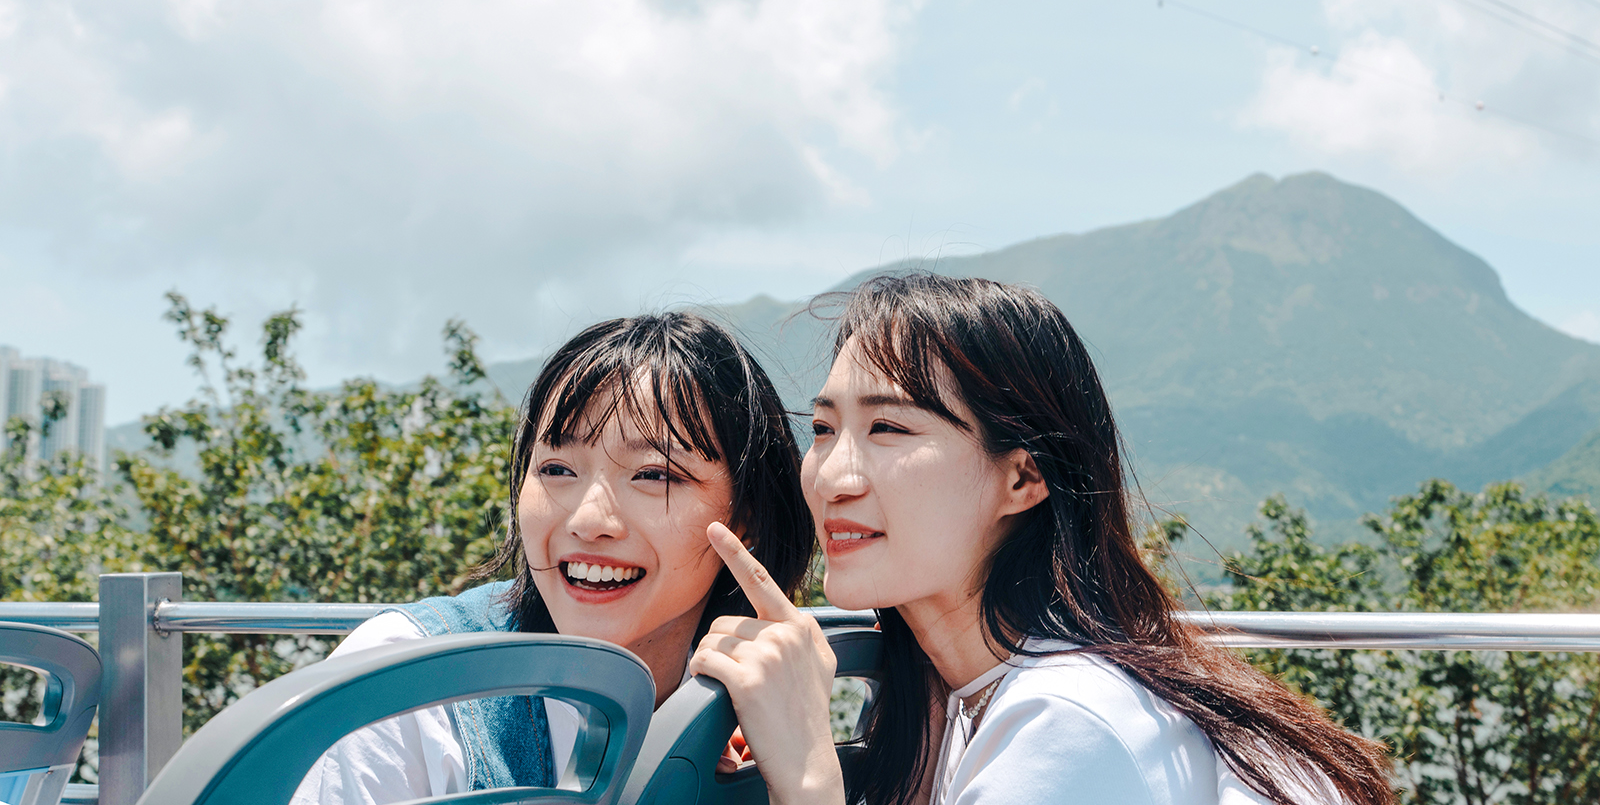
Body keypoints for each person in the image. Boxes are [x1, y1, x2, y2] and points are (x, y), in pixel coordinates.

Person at [690, 273, 1396, 805]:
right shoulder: (965, 699)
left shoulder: (1065, 719)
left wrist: (810, 774)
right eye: (822, 428)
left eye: (889, 429)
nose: (834, 476)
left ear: (1024, 479)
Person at [291, 312, 813, 804]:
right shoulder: (411, 687)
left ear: (746, 518)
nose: (588, 520)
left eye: (652, 475)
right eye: (558, 469)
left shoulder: (755, 700)